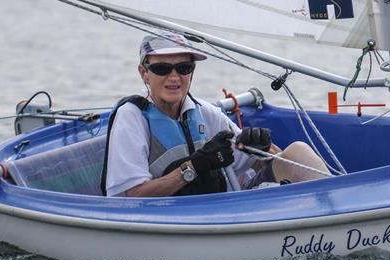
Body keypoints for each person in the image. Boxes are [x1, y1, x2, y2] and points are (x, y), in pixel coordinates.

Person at [101, 32, 331, 197]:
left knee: (298, 151)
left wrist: (261, 148)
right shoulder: (132, 118)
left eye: (183, 68)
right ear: (144, 73)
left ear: (192, 72)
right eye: (162, 69)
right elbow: (132, 196)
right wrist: (194, 167)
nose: (174, 77)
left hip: (222, 213)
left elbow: (271, 161)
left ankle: (336, 214)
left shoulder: (205, 113)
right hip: (169, 223)